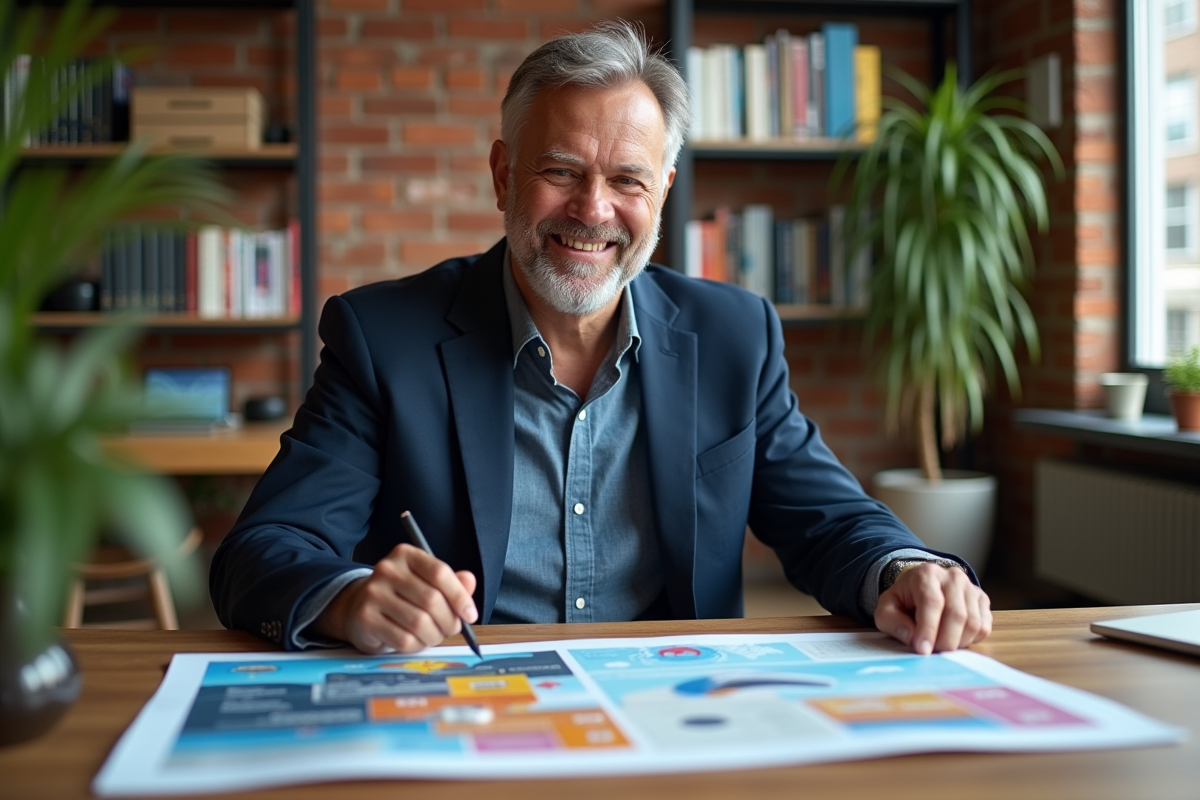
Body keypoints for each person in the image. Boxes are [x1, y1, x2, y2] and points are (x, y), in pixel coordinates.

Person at [210, 20, 991, 657]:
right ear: (502, 176)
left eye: (627, 179)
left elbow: (832, 520)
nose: (592, 209)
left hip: (673, 712)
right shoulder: (384, 338)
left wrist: (906, 569)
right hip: (468, 710)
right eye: (560, 171)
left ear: (663, 191)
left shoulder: (734, 336)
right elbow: (263, 548)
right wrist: (349, 599)